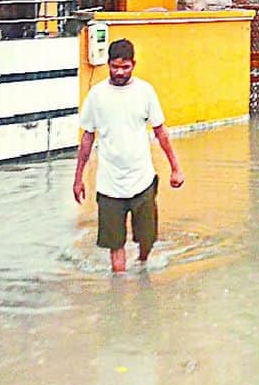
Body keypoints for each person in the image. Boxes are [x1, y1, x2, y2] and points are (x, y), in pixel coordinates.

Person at [73, 39, 185, 273]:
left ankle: (142, 264)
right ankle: (119, 290)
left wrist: (176, 167)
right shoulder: (97, 96)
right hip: (109, 184)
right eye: (115, 67)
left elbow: (160, 132)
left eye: (125, 67)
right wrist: (78, 178)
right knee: (115, 243)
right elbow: (87, 138)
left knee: (147, 239)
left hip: (142, 180)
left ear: (133, 64)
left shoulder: (145, 91)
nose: (120, 72)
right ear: (108, 65)